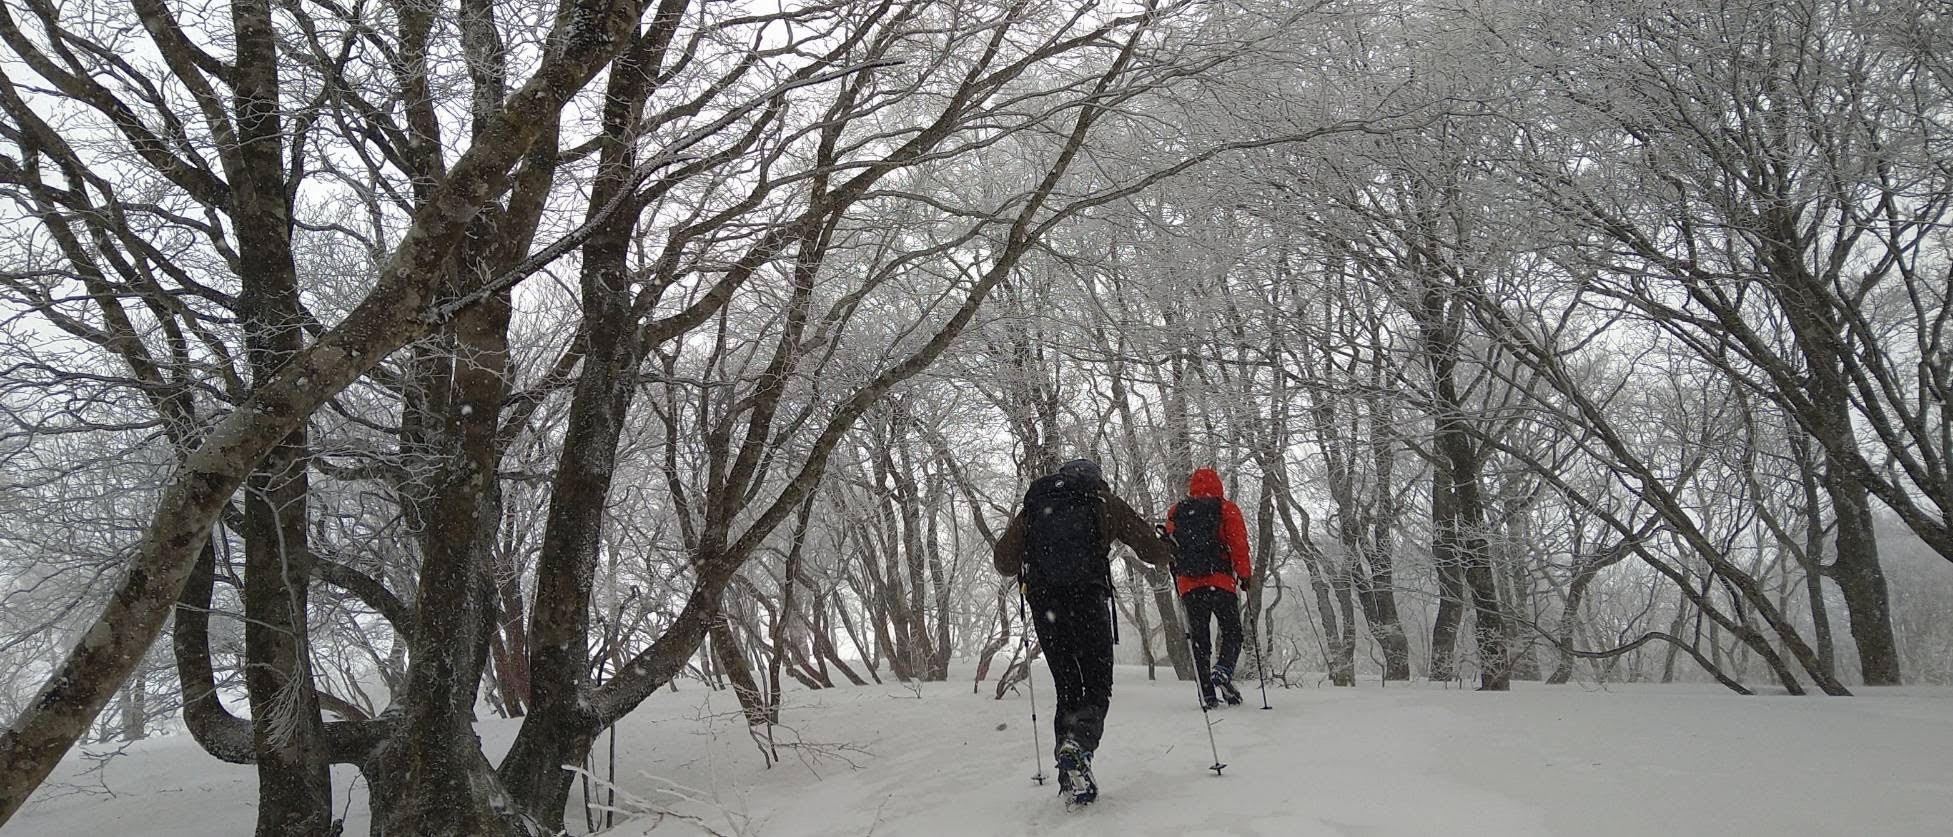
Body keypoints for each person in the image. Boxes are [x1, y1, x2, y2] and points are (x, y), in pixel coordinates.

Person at [993, 458, 1175, 806]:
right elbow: (1148, 547)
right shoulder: (1101, 499)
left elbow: (1004, 562)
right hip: (1086, 598)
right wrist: (1168, 550)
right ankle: (1079, 745)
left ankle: (1070, 775)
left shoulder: (1037, 502)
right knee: (1097, 684)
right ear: (1096, 478)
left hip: (1045, 602)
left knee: (1067, 686)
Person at [1165, 467, 1253, 709]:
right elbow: (1238, 543)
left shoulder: (1177, 511)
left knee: (1199, 639)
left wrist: (1176, 570)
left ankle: (1207, 693)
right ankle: (1223, 669)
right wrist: (1245, 575)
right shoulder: (1225, 508)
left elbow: (1169, 548)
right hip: (1220, 581)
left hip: (1190, 585)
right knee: (1232, 631)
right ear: (1217, 485)